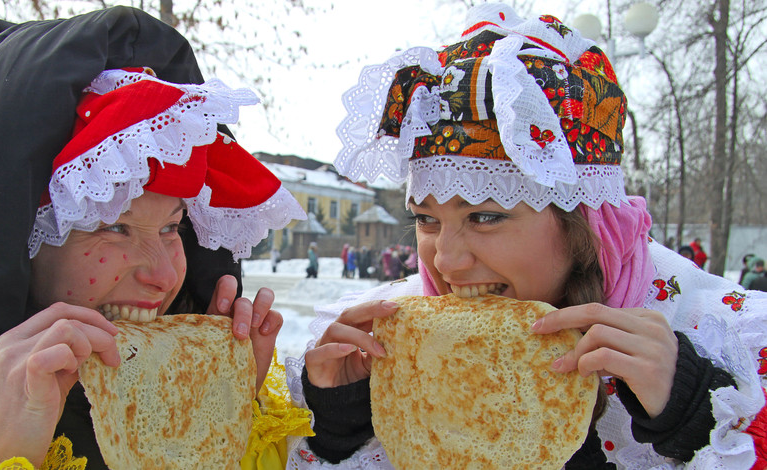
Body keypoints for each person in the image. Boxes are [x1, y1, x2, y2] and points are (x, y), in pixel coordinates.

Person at [284, 5, 767, 468]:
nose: (445, 262)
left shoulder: (722, 338)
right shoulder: (379, 346)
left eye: (485, 217)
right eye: (426, 219)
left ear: (585, 225)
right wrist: (336, 420)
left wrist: (695, 410)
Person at [0, 9, 312, 469]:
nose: (163, 277)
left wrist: (224, 420)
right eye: (113, 227)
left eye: (172, 227)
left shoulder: (218, 394)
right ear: (6, 248)